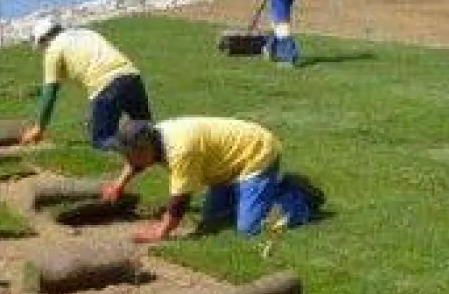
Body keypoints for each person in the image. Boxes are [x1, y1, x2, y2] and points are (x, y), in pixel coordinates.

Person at [101, 117, 322, 244]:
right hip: (225, 165)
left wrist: (161, 231)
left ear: (146, 147)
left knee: (249, 229)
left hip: (256, 153)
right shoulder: (153, 139)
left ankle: (299, 198)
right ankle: (271, 189)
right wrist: (119, 185)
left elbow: (180, 200)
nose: (127, 159)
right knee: (213, 219)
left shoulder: (180, 150)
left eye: (129, 153)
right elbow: (137, 162)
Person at [19, 19, 152, 150]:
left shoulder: (54, 49)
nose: (43, 51)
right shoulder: (86, 33)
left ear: (44, 39)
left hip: (106, 85)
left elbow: (49, 93)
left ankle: (134, 148)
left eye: (42, 47)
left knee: (101, 140)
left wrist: (39, 127)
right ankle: (159, 147)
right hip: (132, 76)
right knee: (145, 127)